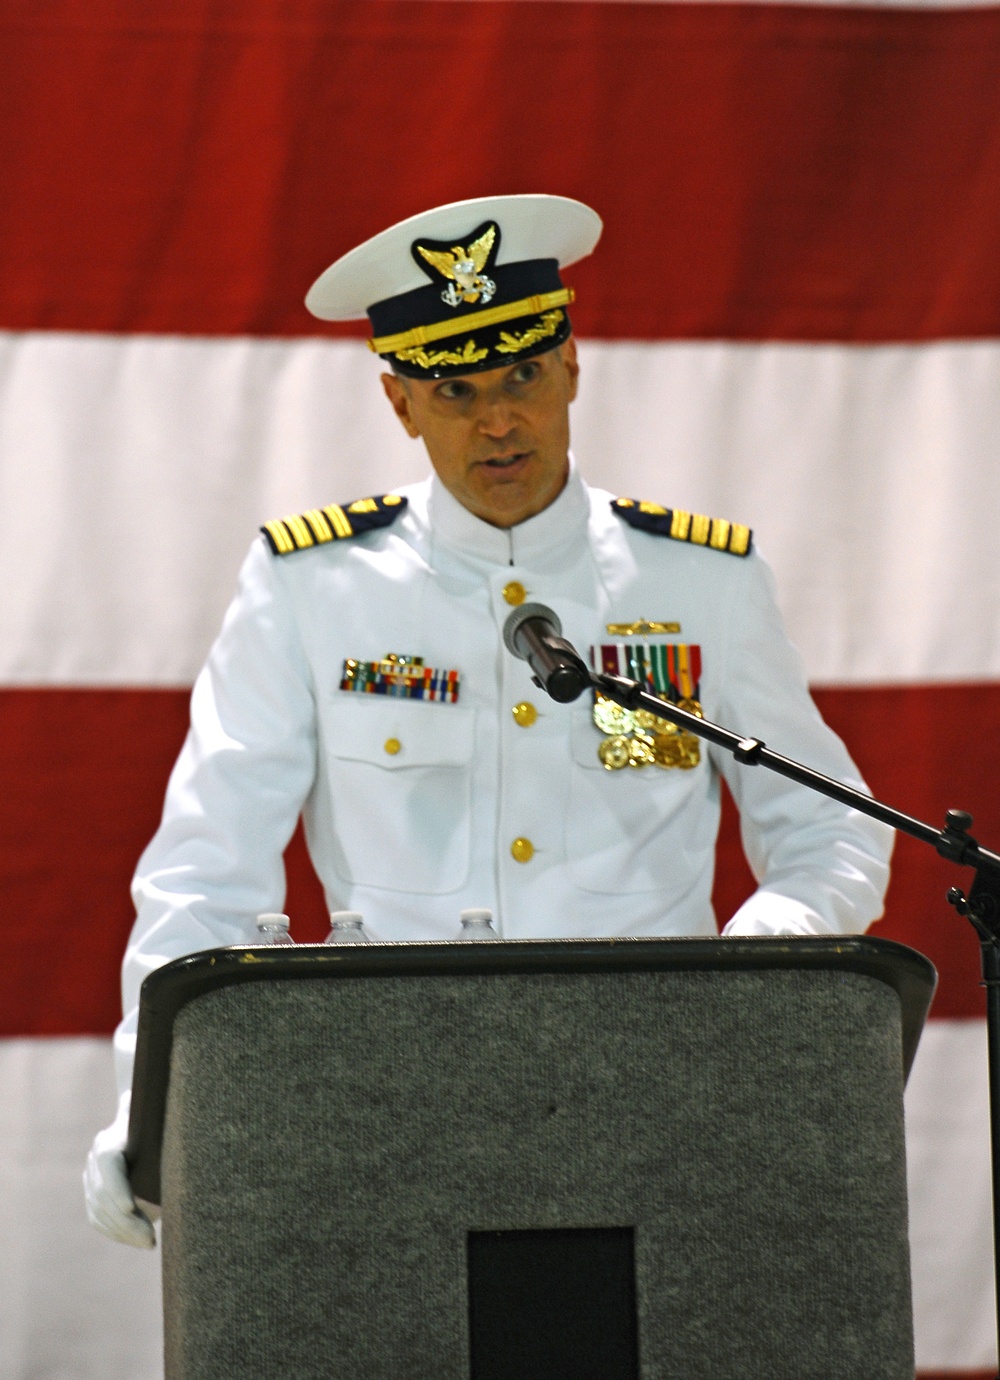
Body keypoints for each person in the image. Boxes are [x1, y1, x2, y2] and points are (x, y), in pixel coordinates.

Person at [84, 194, 893, 1247]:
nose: (497, 420)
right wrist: (151, 1099)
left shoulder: (700, 581)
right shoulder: (314, 586)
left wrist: (748, 974)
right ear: (399, 403)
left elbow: (830, 826)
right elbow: (208, 863)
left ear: (570, 369)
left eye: (519, 376)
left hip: (656, 1093)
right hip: (391, 1100)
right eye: (453, 389)